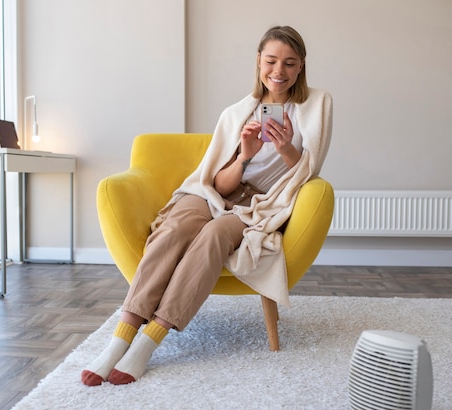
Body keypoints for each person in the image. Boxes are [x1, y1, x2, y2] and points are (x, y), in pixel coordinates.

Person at [82, 25, 333, 386]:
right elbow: (217, 183)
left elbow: (309, 167)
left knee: (214, 234)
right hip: (213, 193)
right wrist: (245, 157)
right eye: (272, 60)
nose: (279, 71)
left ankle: (150, 340)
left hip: (264, 203)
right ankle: (120, 337)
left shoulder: (317, 104)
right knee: (176, 228)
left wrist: (283, 148)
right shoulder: (236, 113)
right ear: (258, 62)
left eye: (290, 63)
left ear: (301, 66)